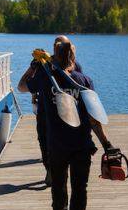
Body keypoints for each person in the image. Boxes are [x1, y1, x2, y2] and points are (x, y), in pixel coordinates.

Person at [22, 41, 111, 210]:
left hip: (57, 145)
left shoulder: (45, 78)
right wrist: (106, 144)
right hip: (82, 145)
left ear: (55, 57)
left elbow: (22, 86)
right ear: (73, 59)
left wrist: (34, 66)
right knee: (80, 190)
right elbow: (93, 118)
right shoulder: (85, 81)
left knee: (59, 185)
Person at [17, 35, 83, 186]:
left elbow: (22, 86)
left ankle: (53, 170)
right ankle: (52, 170)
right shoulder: (44, 64)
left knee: (49, 142)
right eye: (55, 43)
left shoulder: (51, 66)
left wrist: (33, 68)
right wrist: (35, 92)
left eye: (60, 44)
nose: (56, 45)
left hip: (57, 113)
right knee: (45, 142)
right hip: (52, 113)